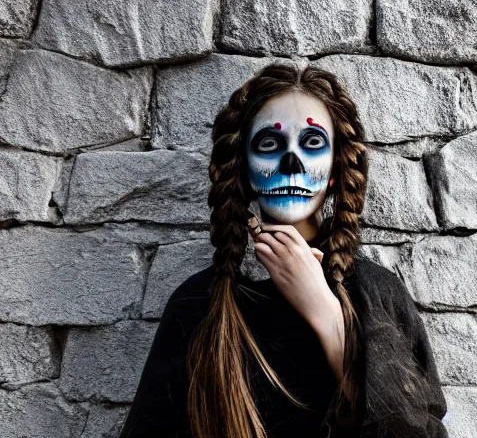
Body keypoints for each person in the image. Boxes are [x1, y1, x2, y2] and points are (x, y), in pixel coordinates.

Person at [118, 62, 449, 438]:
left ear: (336, 169)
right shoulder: (199, 304)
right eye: (270, 144)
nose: (291, 164)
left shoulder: (376, 293)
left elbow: (418, 430)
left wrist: (324, 310)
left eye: (311, 143)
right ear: (242, 167)